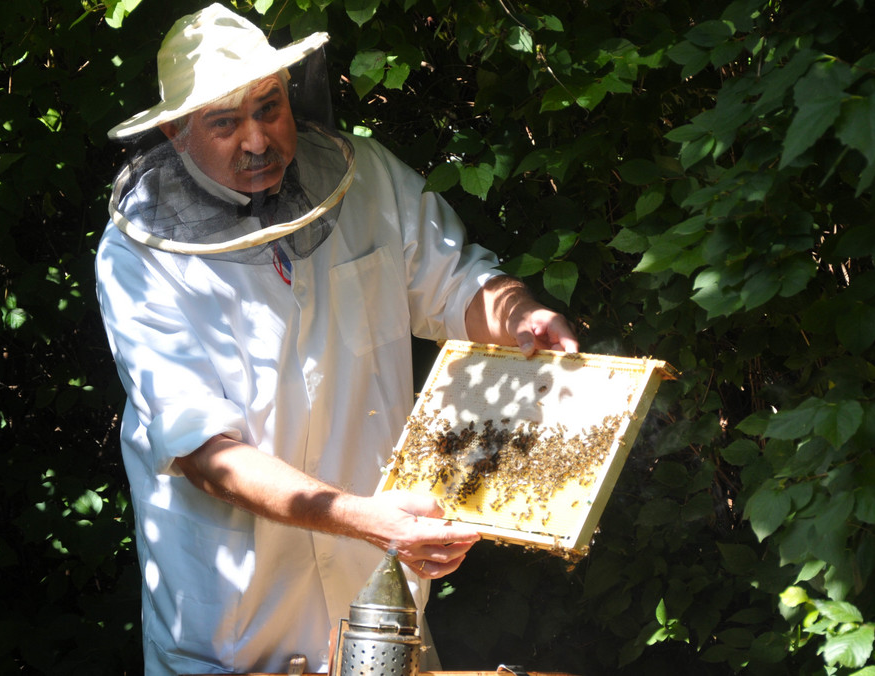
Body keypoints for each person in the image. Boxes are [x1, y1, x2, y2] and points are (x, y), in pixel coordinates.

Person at [94, 4, 578, 675]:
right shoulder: (138, 259)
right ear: (176, 131)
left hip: (376, 613)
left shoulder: (369, 178)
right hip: (229, 631)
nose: (257, 140)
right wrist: (371, 519)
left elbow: (458, 286)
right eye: (225, 123)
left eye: (268, 108)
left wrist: (519, 314)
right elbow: (205, 453)